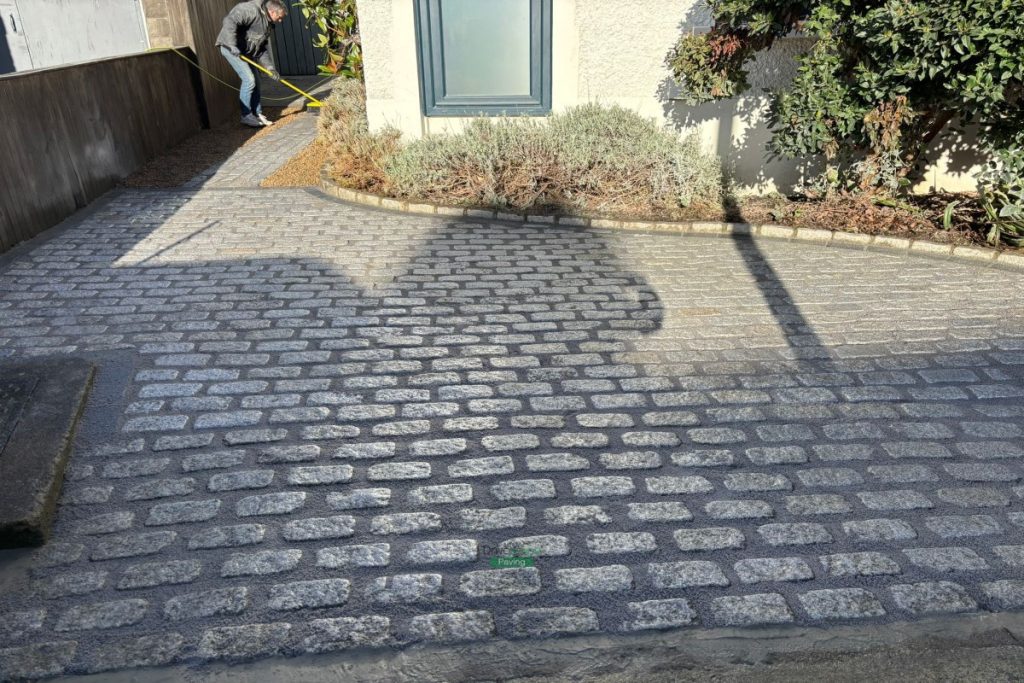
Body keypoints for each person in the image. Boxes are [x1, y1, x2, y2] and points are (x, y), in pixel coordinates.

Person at [216, 0, 287, 128]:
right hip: (230, 48)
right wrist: (231, 44)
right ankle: (246, 115)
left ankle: (256, 113)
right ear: (271, 12)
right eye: (280, 17)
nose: (280, 21)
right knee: (249, 80)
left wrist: (270, 68)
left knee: (257, 82)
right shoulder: (250, 10)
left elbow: (260, 49)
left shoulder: (267, 24)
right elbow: (229, 21)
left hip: (245, 52)